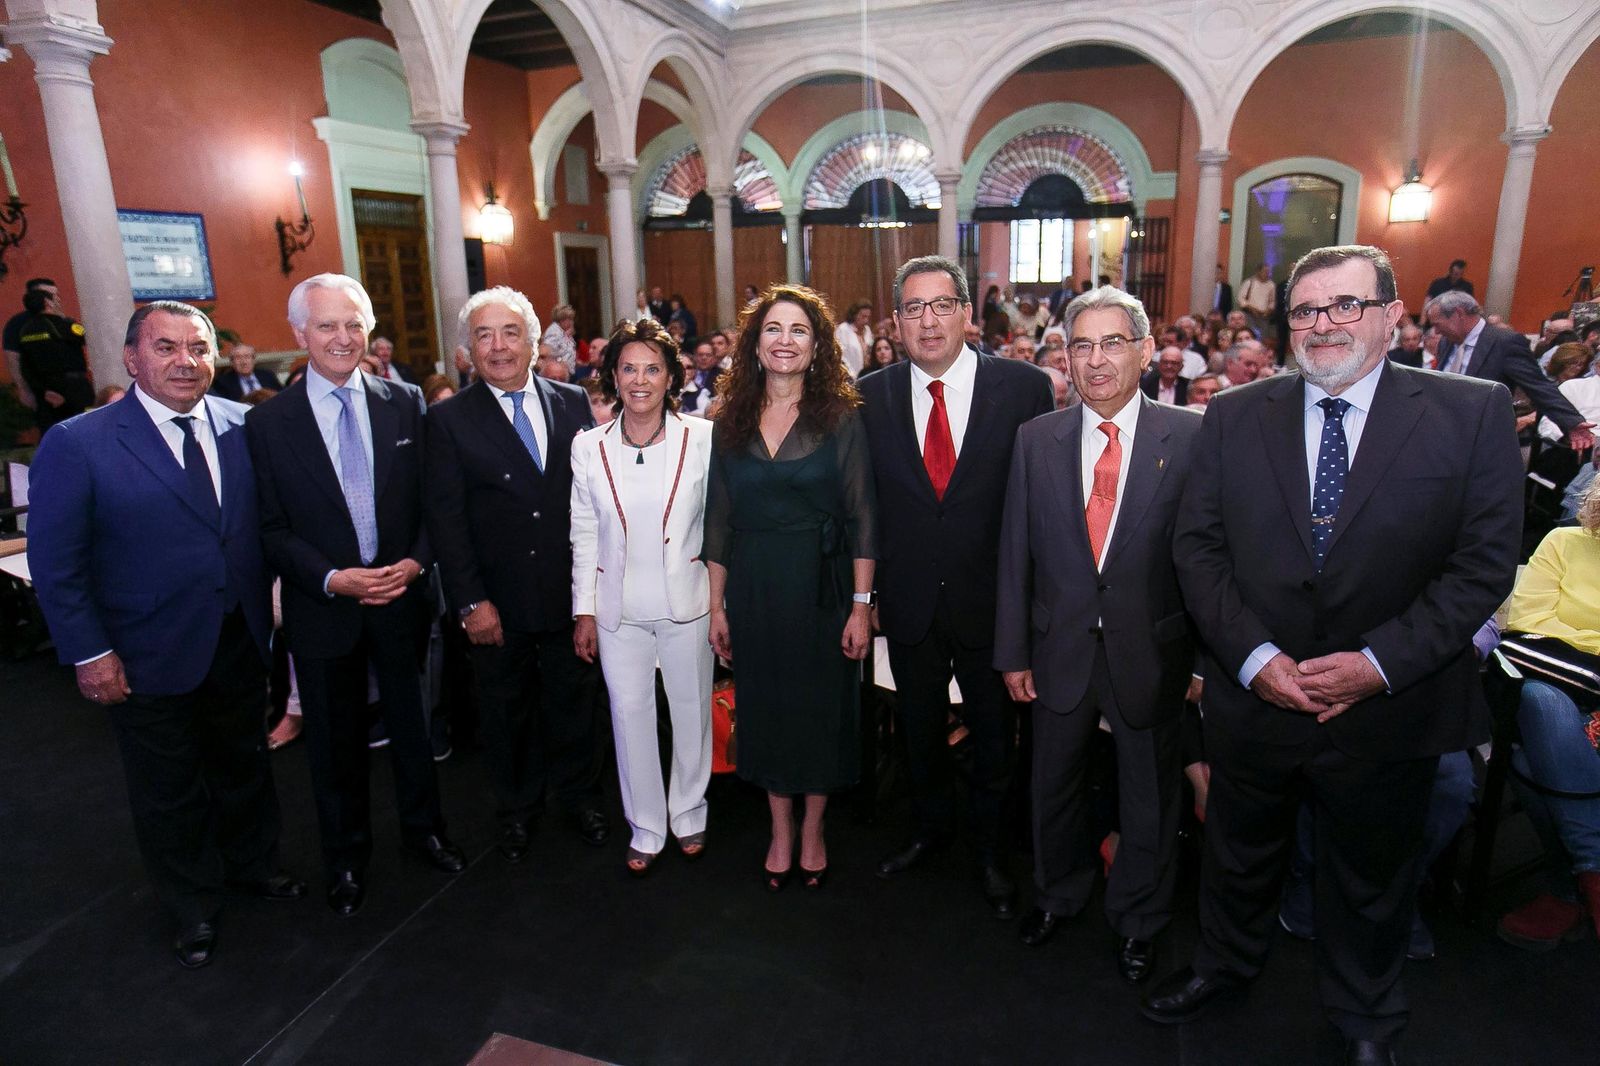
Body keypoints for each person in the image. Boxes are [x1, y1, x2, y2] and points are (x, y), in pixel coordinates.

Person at [1143, 245, 1523, 1066]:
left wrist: (1377, 665)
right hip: (1257, 699)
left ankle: (1365, 1018)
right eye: (1307, 310)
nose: (1324, 325)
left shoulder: (1473, 412)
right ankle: (1224, 969)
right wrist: (1255, 661)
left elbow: (1483, 566)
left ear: (1392, 317)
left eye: (1345, 305)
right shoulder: (1237, 414)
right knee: (1238, 860)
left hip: (1388, 705)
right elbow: (1197, 549)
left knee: (1373, 878)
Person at [28, 301, 302, 968]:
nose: (186, 361)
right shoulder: (79, 442)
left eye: (198, 348)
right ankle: (192, 906)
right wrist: (91, 654)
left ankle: (253, 867)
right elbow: (56, 563)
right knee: (167, 788)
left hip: (237, 639)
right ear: (131, 359)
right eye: (167, 348)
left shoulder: (245, 427)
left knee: (244, 767)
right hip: (143, 654)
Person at [996, 285, 1201, 983]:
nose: (1096, 359)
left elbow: (1209, 559)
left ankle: (1139, 919)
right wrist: (1012, 651)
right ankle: (1058, 895)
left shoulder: (1194, 437)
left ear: (1146, 351)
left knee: (1150, 796)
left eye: (1113, 342)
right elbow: (1015, 551)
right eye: (1081, 345)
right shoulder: (1036, 439)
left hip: (1154, 651)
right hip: (1058, 649)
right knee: (1051, 786)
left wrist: (1203, 659)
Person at [246, 273, 465, 918]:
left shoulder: (405, 403)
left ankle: (425, 831)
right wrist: (331, 578)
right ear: (299, 335)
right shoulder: (269, 424)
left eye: (353, 324)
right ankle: (344, 859)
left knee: (412, 726)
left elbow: (433, 505)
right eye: (326, 326)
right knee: (334, 745)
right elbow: (271, 529)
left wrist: (416, 563)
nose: (342, 338)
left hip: (400, 599)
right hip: (324, 610)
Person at [858, 255, 1052, 917]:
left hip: (992, 605)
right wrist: (871, 596)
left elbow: (1039, 507)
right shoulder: (872, 394)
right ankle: (930, 830)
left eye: (941, 305)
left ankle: (994, 854)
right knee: (918, 733)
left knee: (995, 740)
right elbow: (869, 508)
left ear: (969, 313)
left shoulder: (1025, 388)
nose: (928, 320)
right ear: (896, 322)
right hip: (909, 603)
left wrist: (1030, 607)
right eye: (913, 308)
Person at [423, 286, 608, 864]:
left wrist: (591, 597)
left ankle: (579, 798)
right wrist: (470, 602)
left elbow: (588, 503)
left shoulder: (573, 400)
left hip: (566, 594)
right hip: (495, 604)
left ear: (534, 340)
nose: (498, 346)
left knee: (575, 705)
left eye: (509, 333)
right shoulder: (448, 420)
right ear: (467, 350)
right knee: (505, 715)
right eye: (484, 335)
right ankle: (518, 811)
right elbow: (445, 521)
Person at [704, 284, 876, 892]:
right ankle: (780, 828)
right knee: (768, 709)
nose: (785, 341)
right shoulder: (728, 421)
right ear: (755, 345)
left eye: (799, 330)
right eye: (773, 329)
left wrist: (861, 605)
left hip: (824, 588)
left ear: (816, 345)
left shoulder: (841, 417)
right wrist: (715, 607)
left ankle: (814, 829)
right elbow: (718, 520)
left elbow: (862, 516)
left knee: (822, 710)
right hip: (753, 589)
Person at [571, 317, 714, 876]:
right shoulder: (589, 447)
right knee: (629, 717)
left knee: (690, 712)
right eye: (628, 367)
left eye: (652, 368)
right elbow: (584, 531)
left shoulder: (701, 438)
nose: (639, 379)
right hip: (617, 611)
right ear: (611, 374)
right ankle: (647, 825)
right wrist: (583, 608)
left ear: (671, 376)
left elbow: (719, 525)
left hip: (688, 604)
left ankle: (690, 810)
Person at [1497, 485, 1600, 948]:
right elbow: (1527, 622)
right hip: (1555, 691)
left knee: (1526, 763)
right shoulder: (1563, 542)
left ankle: (1572, 884)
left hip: (1573, 692)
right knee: (1541, 701)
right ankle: (1592, 870)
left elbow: (1548, 629)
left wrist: (1572, 638)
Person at [1427, 290, 1594, 451]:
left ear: (1458, 314)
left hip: (1482, 442)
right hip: (1442, 437)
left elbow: (1538, 386)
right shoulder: (1446, 342)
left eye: (1437, 324)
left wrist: (1572, 421)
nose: (1436, 331)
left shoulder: (1504, 343)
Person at [16, 286, 93, 432]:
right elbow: (90, 337)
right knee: (85, 429)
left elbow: (25, 368)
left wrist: (44, 391)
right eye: (56, 299)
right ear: (48, 302)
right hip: (75, 390)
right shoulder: (66, 325)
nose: (58, 302)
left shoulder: (25, 331)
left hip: (46, 394)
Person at [2, 275, 57, 411]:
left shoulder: (60, 321)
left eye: (55, 295)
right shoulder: (18, 324)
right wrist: (24, 390)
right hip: (41, 389)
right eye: (48, 296)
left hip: (68, 388)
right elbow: (13, 358)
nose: (54, 300)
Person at [211, 344, 282, 400]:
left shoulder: (268, 375)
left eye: (247, 357)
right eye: (238, 358)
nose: (244, 362)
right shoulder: (223, 382)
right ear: (232, 362)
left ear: (254, 360)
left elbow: (281, 395)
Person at [835, 301, 873, 379]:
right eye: (863, 316)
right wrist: (851, 374)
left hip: (865, 375)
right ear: (855, 315)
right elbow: (840, 355)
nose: (866, 320)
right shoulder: (843, 329)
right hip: (849, 376)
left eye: (868, 317)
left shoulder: (867, 330)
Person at [1237, 264, 1275, 339]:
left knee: (1263, 338)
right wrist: (1251, 308)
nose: (1267, 274)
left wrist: (1269, 310)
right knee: (1249, 335)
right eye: (1265, 271)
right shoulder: (1249, 282)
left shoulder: (1271, 285)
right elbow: (1241, 298)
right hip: (1250, 314)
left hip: (1264, 316)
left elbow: (1272, 301)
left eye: (1268, 272)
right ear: (1258, 272)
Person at [542, 304, 579, 373]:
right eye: (570, 319)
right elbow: (549, 352)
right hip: (557, 372)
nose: (572, 322)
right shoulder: (553, 332)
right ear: (562, 320)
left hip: (568, 371)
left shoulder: (564, 332)